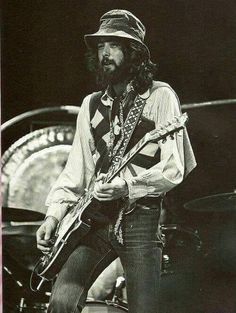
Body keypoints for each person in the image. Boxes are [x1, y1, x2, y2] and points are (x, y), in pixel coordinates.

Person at [36, 9, 196, 313]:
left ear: (134, 52)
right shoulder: (91, 105)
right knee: (61, 301)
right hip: (95, 221)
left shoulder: (160, 96)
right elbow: (76, 172)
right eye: (100, 46)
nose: (104, 54)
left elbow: (174, 168)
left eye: (114, 45)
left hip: (141, 222)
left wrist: (127, 186)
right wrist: (53, 216)